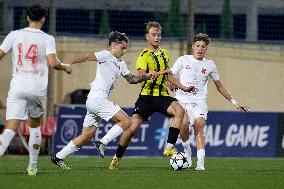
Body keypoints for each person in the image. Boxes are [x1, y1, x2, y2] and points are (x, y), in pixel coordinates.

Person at [51, 31, 157, 170]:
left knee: (86, 136)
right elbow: (88, 56)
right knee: (126, 121)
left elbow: (132, 79)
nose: (124, 51)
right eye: (122, 48)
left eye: (125, 48)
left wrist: (147, 76)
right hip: (97, 98)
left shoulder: (120, 63)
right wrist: (69, 62)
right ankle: (102, 142)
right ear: (113, 45)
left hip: (95, 101)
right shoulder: (105, 55)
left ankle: (58, 157)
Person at [103, 21, 196, 170]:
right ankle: (116, 158)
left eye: (159, 34)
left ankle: (169, 146)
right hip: (146, 97)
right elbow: (142, 76)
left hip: (162, 96)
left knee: (180, 110)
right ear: (147, 36)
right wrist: (159, 74)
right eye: (154, 34)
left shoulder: (164, 53)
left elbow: (169, 75)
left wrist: (184, 87)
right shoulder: (143, 55)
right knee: (132, 129)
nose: (157, 37)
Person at [0, 4, 72, 176]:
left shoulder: (14, 35)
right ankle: (32, 167)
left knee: (10, 128)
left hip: (17, 86)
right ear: (43, 19)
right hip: (37, 88)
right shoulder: (47, 38)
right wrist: (65, 67)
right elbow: (53, 63)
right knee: (35, 127)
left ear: (27, 18)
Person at [170, 33, 249, 171]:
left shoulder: (210, 65)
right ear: (193, 47)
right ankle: (188, 153)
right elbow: (169, 75)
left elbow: (219, 86)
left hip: (199, 102)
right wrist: (169, 84)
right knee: (183, 125)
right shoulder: (183, 60)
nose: (200, 49)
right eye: (198, 46)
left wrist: (235, 102)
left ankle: (200, 163)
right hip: (182, 100)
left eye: (203, 46)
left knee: (199, 127)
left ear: (206, 49)